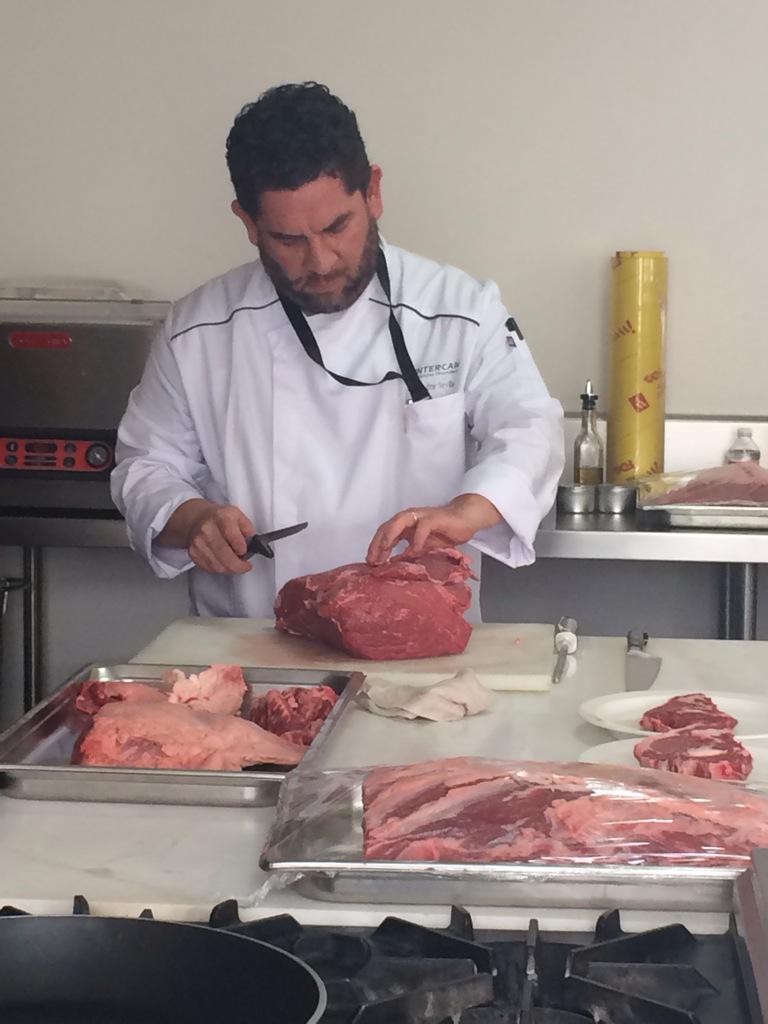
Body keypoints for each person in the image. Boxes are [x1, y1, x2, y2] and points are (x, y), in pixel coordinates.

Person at [112, 82, 564, 619]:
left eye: (337, 227)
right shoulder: (197, 332)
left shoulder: (461, 311)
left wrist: (469, 510)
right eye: (288, 240)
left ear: (372, 192)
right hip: (255, 653)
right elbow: (145, 466)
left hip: (419, 655)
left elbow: (529, 428)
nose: (321, 261)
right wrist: (192, 518)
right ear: (248, 222)